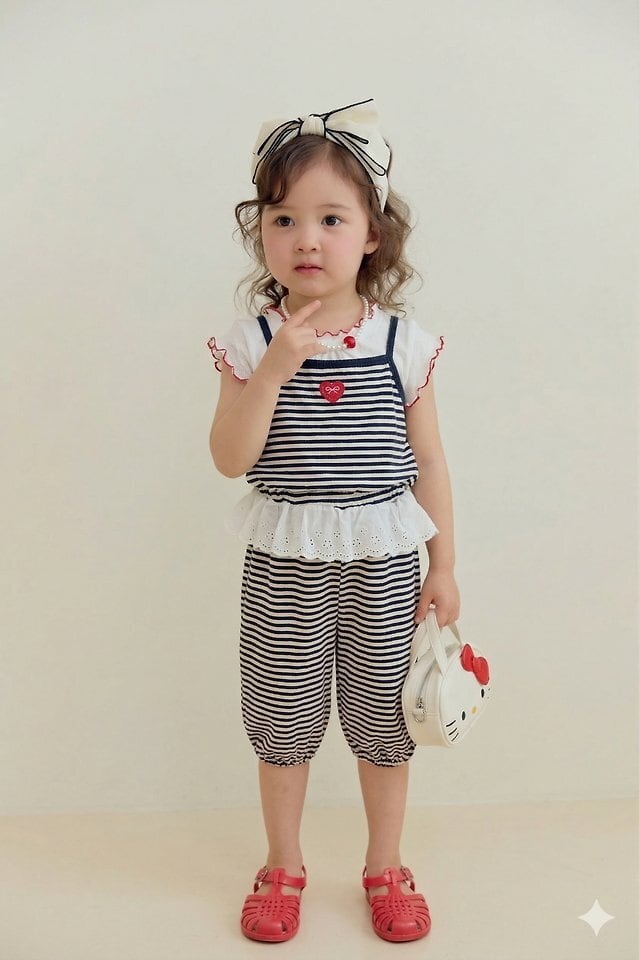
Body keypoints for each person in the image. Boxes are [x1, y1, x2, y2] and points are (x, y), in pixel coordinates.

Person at [207, 98, 460, 944]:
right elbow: (230, 457)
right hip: (284, 563)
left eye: (330, 218)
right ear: (261, 234)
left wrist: (443, 566)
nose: (306, 238)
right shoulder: (250, 343)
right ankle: (282, 864)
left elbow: (429, 463)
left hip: (384, 563)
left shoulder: (402, 344)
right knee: (282, 720)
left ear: (371, 235)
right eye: (283, 218)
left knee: (384, 722)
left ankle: (385, 865)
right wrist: (274, 370)